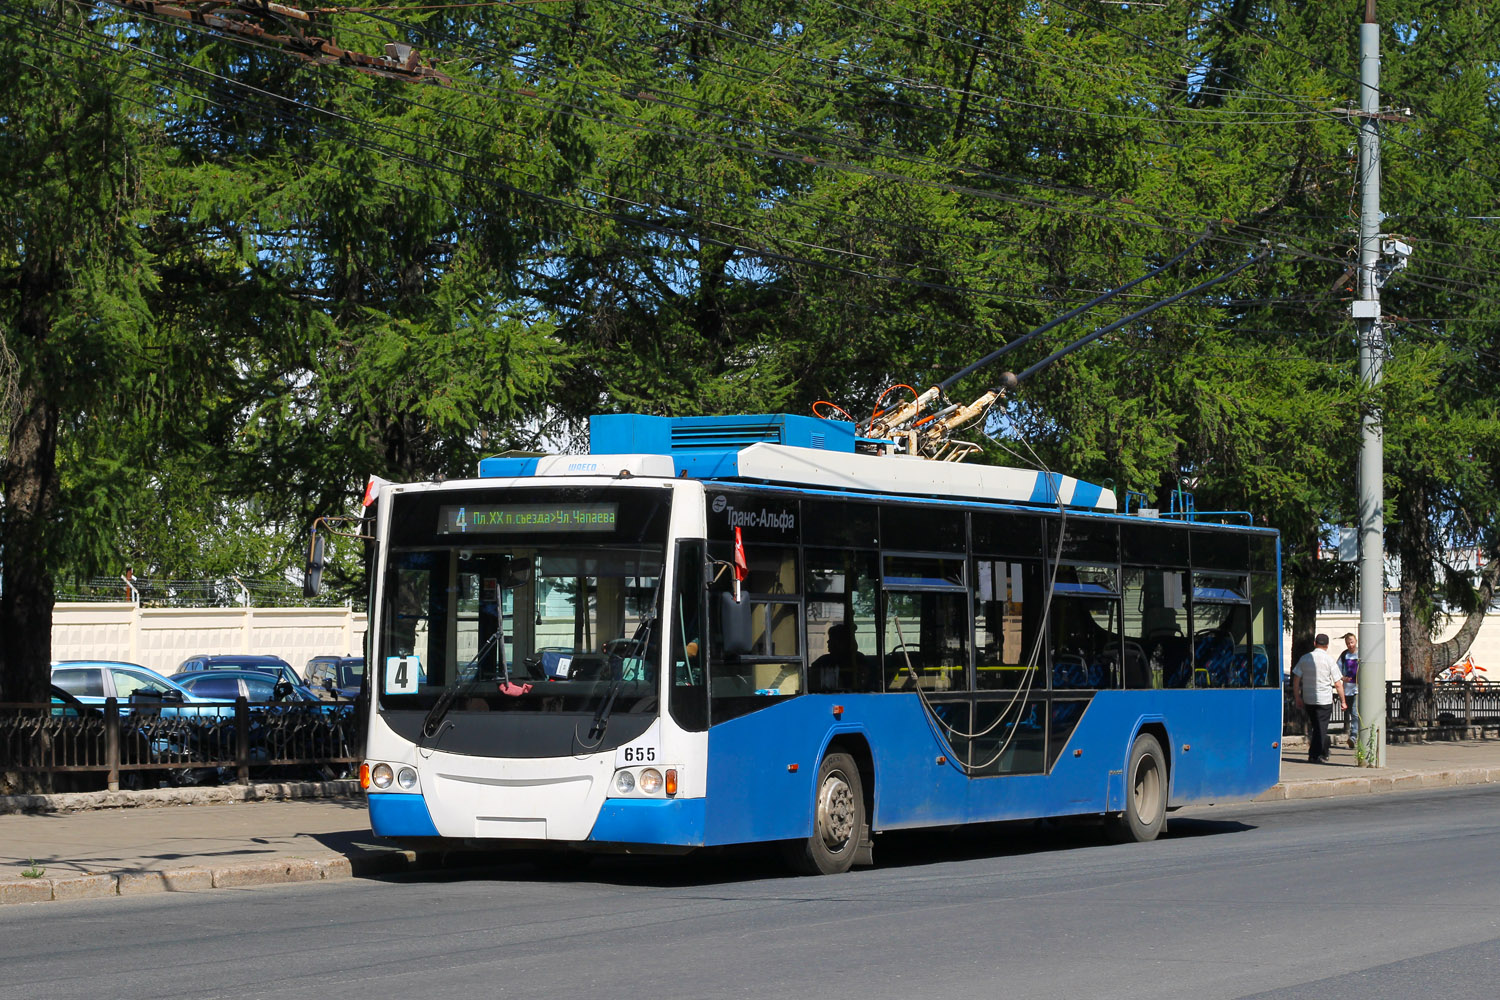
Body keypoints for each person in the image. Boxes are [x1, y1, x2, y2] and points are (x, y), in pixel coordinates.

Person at [1292, 633, 1346, 763]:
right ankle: (1315, 755)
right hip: (1324, 699)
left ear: (1315, 643)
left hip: (1308, 698)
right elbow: (1338, 684)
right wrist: (1343, 701)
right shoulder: (1329, 660)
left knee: (1316, 726)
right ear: (1327, 645)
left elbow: (1296, 679)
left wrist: (1297, 697)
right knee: (1321, 727)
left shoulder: (1304, 658)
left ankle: (1323, 749)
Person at [809, 622, 871, 692]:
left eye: (832, 639)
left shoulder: (859, 659)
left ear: (843, 642)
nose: (828, 642)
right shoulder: (823, 660)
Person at [1337, 632, 1360, 750]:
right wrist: (1342, 678)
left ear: (1356, 641)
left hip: (1359, 689)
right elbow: (1337, 670)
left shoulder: (1361, 653)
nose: (1350, 645)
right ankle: (1357, 735)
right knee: (1352, 713)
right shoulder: (1344, 655)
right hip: (1348, 689)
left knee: (1356, 712)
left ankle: (1354, 736)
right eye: (1348, 643)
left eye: (1352, 642)